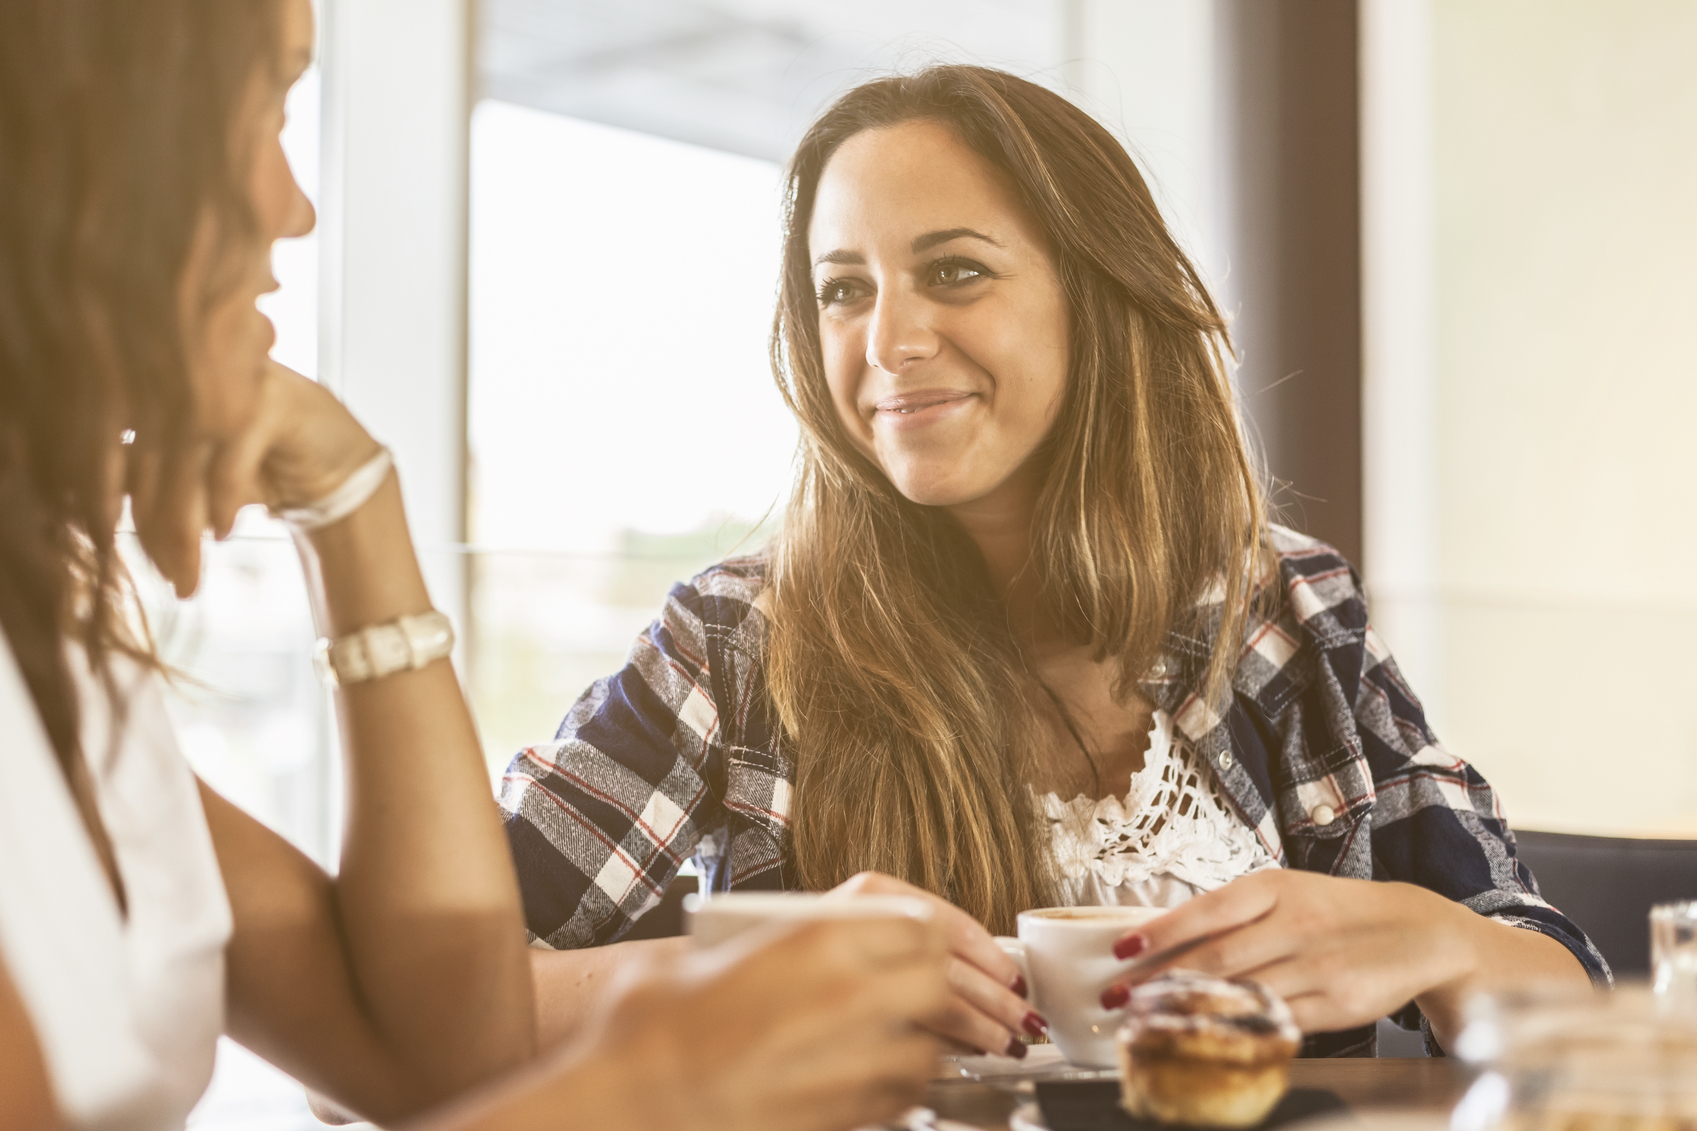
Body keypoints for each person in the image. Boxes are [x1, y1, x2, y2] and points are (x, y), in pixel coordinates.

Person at [501, 64, 1609, 1063]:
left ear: (1099, 296)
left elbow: (1563, 1001)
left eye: (953, 271)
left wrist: (1439, 941)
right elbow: (436, 1006)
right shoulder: (737, 642)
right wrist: (733, 973)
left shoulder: (1282, 606)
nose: (886, 341)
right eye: (844, 288)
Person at [0, 2, 952, 1129]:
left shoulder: (59, 654)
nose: (294, 208)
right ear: (79, 146)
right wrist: (649, 1089)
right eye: (261, 112)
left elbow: (436, 1057)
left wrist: (354, 506)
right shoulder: (735, 632)